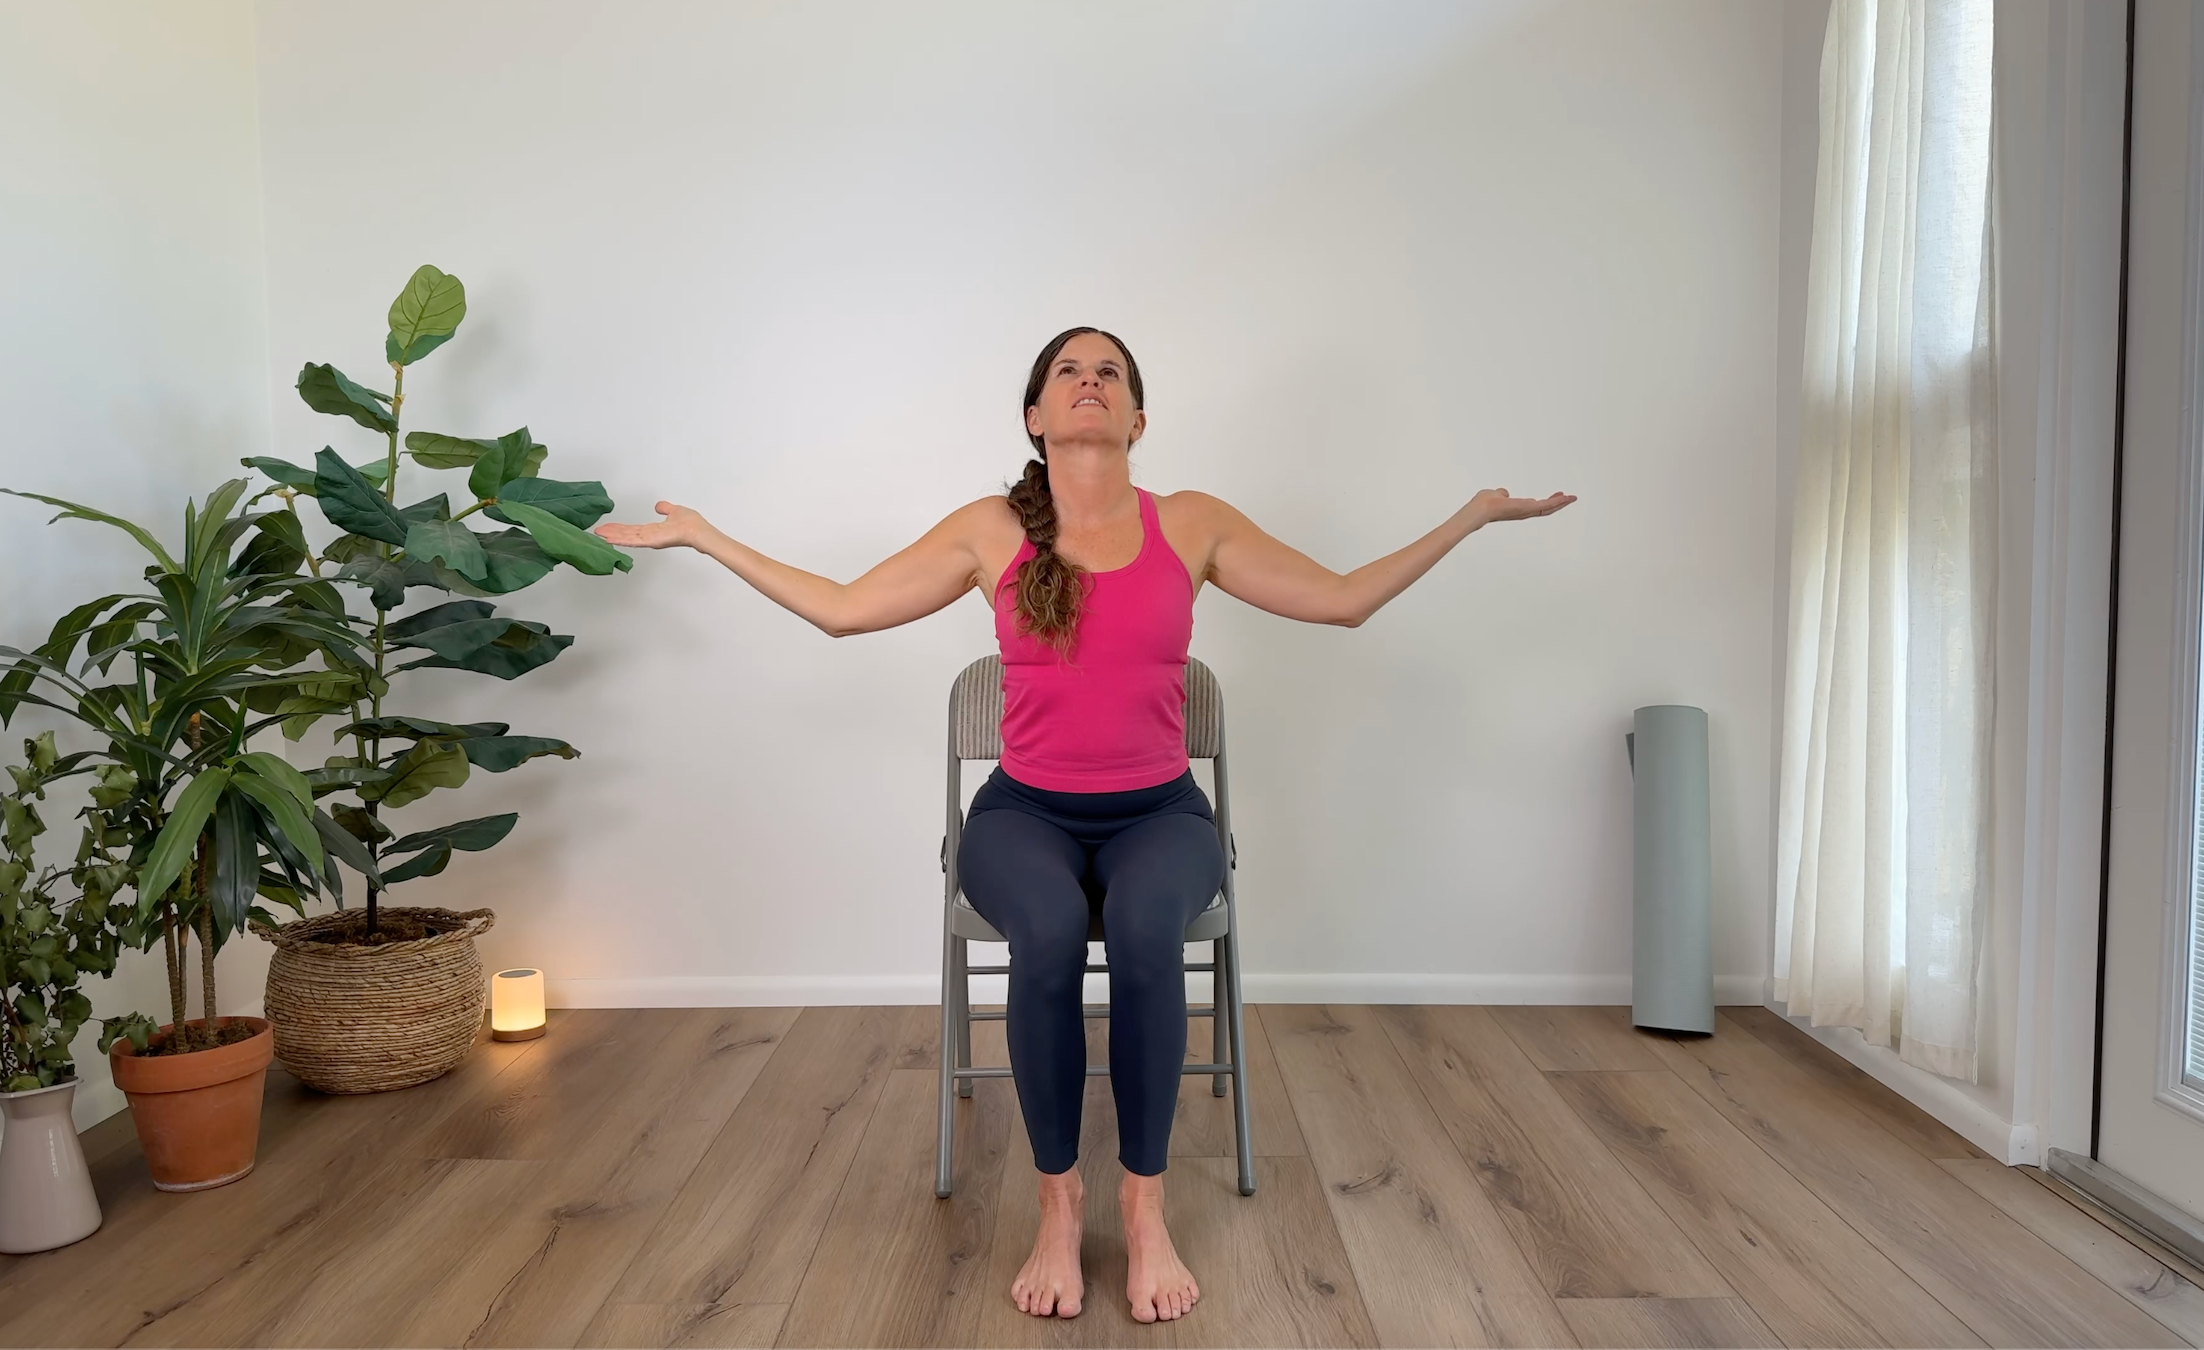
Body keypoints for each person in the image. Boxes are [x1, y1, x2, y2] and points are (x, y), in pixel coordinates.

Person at [593, 327, 1576, 1324]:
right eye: (1068, 370)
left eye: (1110, 371)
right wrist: (706, 537)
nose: (1089, 380)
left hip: (1162, 814)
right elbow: (845, 610)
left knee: (1149, 931)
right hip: (1024, 816)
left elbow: (1341, 601)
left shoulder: (1190, 523)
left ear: (1139, 418)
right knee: (1051, 932)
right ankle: (1056, 1205)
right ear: (1036, 416)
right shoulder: (991, 530)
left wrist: (1474, 517)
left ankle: (1143, 1210)